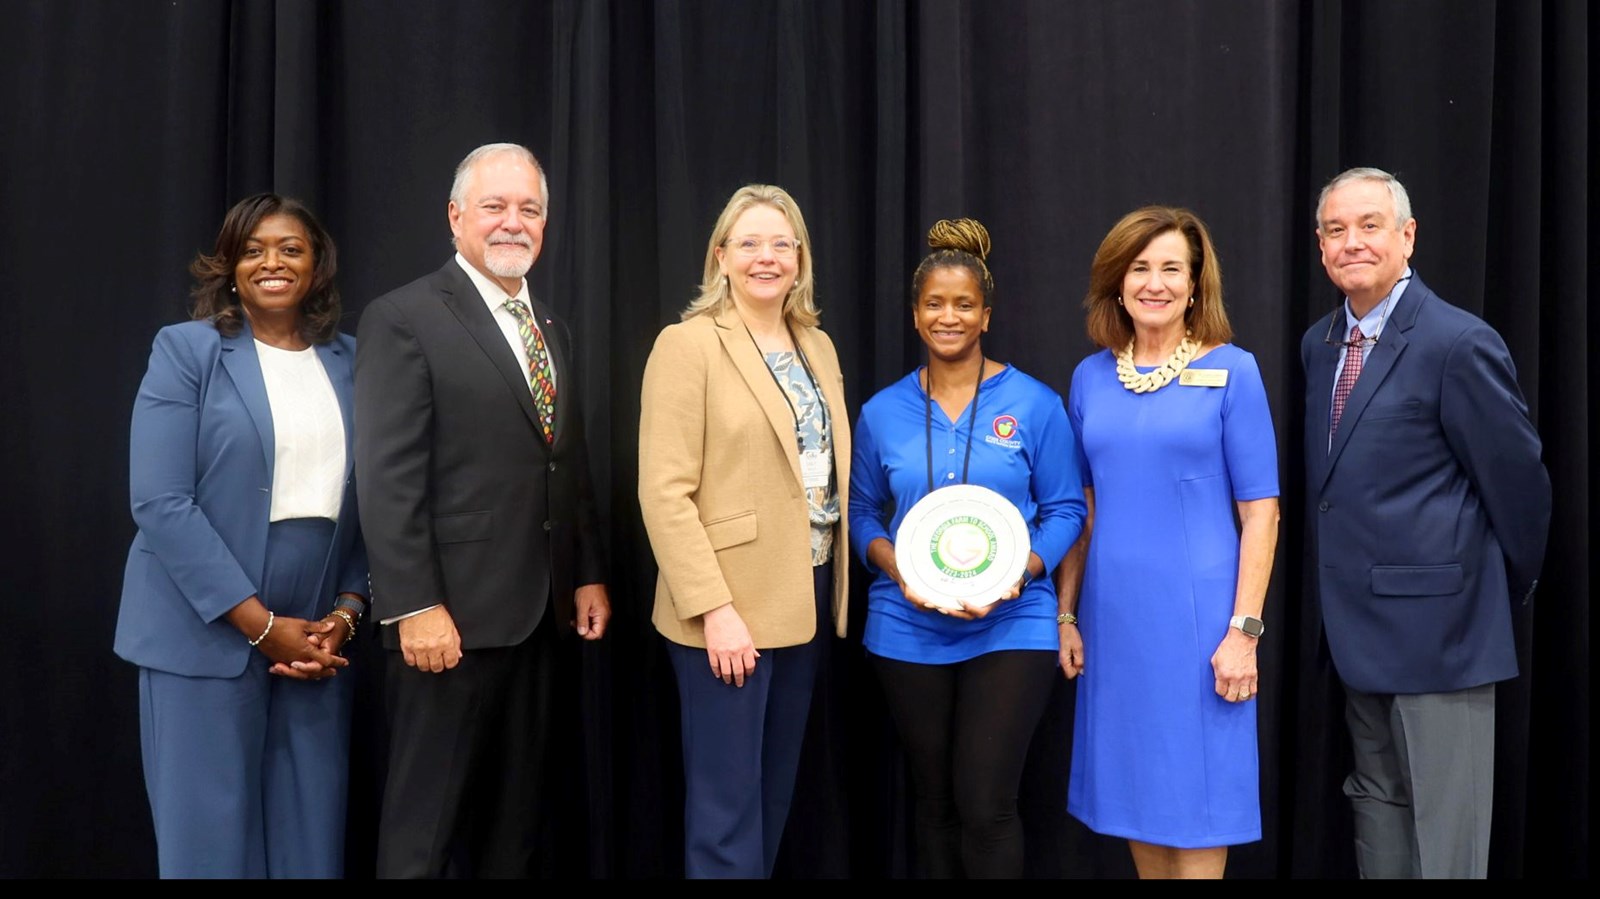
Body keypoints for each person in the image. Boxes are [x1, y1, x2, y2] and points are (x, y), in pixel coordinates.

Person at [354, 142, 612, 878]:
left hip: (541, 617)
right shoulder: (403, 316)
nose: (513, 223)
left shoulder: (550, 327)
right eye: (495, 206)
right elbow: (387, 475)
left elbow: (565, 461)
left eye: (529, 209)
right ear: (455, 217)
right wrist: (413, 605)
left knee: (516, 827)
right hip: (450, 623)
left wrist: (588, 571)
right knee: (425, 829)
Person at [1301, 167, 1550, 879]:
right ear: (1320, 248)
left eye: (1370, 225)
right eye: (1336, 230)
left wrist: (1486, 597)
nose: (1352, 242)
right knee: (1375, 804)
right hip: (1356, 629)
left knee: (1449, 832)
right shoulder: (1319, 344)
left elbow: (1520, 485)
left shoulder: (1456, 342)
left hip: (1445, 634)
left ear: (1407, 236)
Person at [115, 193, 369, 878]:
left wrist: (346, 612)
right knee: (210, 853)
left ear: (317, 266)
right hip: (203, 630)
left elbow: (378, 498)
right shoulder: (186, 351)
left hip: (314, 641)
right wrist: (259, 625)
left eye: (291, 248)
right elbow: (160, 501)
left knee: (309, 848)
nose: (272, 262)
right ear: (228, 267)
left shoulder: (355, 360)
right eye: (253, 249)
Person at [848, 218, 1086, 878]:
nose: (947, 316)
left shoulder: (1036, 404)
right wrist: (900, 570)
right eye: (933, 303)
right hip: (906, 626)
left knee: (987, 805)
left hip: (1014, 624)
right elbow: (862, 511)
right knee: (935, 805)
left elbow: (1068, 507)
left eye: (963, 304)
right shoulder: (880, 412)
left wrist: (1021, 569)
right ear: (915, 313)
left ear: (986, 313)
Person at [1057, 206, 1279, 879]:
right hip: (1116, 624)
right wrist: (1066, 613)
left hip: (1202, 625)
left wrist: (1244, 630)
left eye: (1170, 269)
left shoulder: (1234, 371)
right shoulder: (1090, 377)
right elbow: (1083, 509)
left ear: (1195, 283)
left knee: (1198, 798)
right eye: (1140, 267)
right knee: (1136, 797)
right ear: (1117, 282)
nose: (1154, 282)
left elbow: (1262, 513)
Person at [638, 184, 849, 878]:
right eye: (750, 244)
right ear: (721, 257)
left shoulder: (816, 345)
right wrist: (716, 609)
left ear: (800, 259)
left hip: (805, 595)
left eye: (781, 244)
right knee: (727, 813)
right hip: (725, 610)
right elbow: (664, 491)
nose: (767, 257)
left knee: (774, 795)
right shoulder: (687, 345)